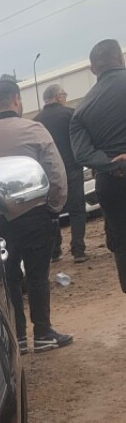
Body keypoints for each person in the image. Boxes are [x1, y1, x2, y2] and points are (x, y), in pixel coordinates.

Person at [0, 78, 71, 353]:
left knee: (10, 278)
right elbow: (56, 173)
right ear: (16, 100)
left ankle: (19, 337)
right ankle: (43, 332)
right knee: (38, 276)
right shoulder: (34, 130)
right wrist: (55, 206)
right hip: (36, 215)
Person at [70, 39, 126, 292]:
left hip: (112, 183)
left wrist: (109, 163)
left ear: (93, 69)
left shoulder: (81, 110)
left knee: (122, 243)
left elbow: (82, 154)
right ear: (121, 58)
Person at [35, 83, 88, 263]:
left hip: (48, 174)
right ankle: (78, 250)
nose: (65, 97)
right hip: (72, 168)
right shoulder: (71, 115)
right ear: (58, 97)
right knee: (77, 210)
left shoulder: (35, 122)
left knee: (52, 211)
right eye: (64, 94)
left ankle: (55, 250)